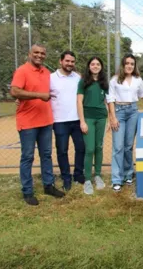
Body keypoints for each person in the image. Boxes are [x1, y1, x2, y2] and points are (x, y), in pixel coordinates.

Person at [10, 44, 65, 205]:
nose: (39, 55)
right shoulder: (22, 71)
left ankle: (48, 185)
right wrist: (38, 96)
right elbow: (14, 91)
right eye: (36, 52)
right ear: (29, 54)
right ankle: (27, 191)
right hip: (28, 122)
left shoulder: (46, 73)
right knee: (27, 157)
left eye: (42, 53)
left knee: (46, 155)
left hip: (46, 121)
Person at [108, 53, 143, 192]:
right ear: (123, 65)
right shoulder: (115, 80)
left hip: (133, 111)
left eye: (132, 64)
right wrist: (113, 117)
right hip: (119, 112)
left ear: (134, 66)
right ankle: (116, 179)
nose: (129, 66)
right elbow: (110, 99)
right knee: (118, 146)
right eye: (127, 63)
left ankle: (128, 174)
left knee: (128, 146)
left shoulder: (138, 79)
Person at [50, 50, 85, 191]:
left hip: (77, 120)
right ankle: (66, 177)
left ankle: (78, 174)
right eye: (67, 61)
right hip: (59, 121)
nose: (70, 64)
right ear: (61, 61)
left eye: (72, 61)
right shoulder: (51, 78)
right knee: (62, 150)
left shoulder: (78, 78)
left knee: (81, 148)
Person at [77, 56, 109, 195]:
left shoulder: (104, 82)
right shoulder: (83, 81)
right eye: (93, 64)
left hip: (101, 118)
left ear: (101, 67)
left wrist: (109, 119)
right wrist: (82, 121)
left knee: (99, 147)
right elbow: (79, 102)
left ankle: (98, 175)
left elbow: (107, 101)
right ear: (89, 66)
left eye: (98, 64)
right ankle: (88, 179)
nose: (95, 66)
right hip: (88, 118)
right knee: (90, 149)